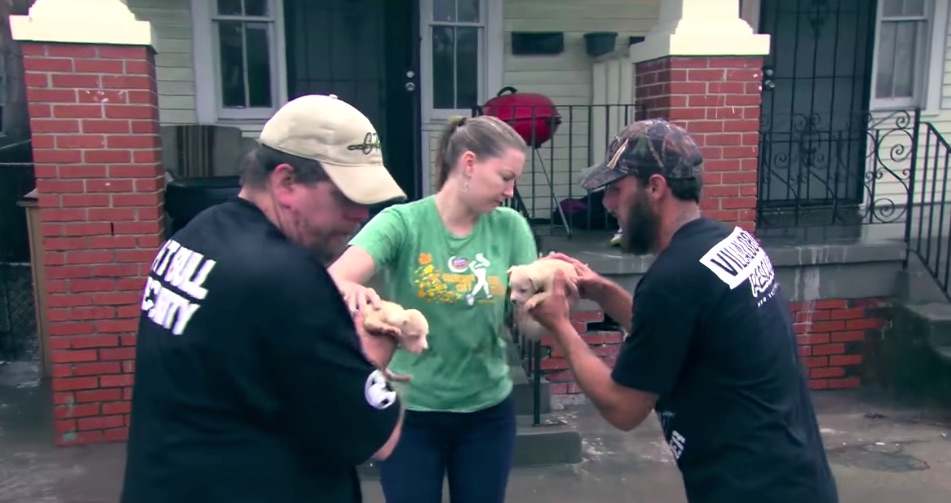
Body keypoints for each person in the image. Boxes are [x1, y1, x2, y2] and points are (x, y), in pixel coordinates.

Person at [526, 119, 839, 503]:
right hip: (796, 478)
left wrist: (560, 324)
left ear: (655, 187)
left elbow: (623, 408)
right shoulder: (731, 242)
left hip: (750, 489)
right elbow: (673, 335)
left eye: (616, 189)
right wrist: (604, 292)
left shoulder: (673, 279)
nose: (607, 204)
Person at [120, 94, 410, 503]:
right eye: (346, 196)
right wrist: (373, 354)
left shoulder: (193, 236)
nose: (361, 215)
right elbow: (379, 437)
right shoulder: (288, 279)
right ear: (286, 182)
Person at [328, 115, 537, 503]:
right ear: (469, 163)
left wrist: (549, 309)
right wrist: (362, 307)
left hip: (487, 412)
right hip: (412, 413)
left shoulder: (511, 228)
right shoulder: (402, 223)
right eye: (505, 177)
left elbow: (527, 324)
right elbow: (334, 282)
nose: (511, 191)